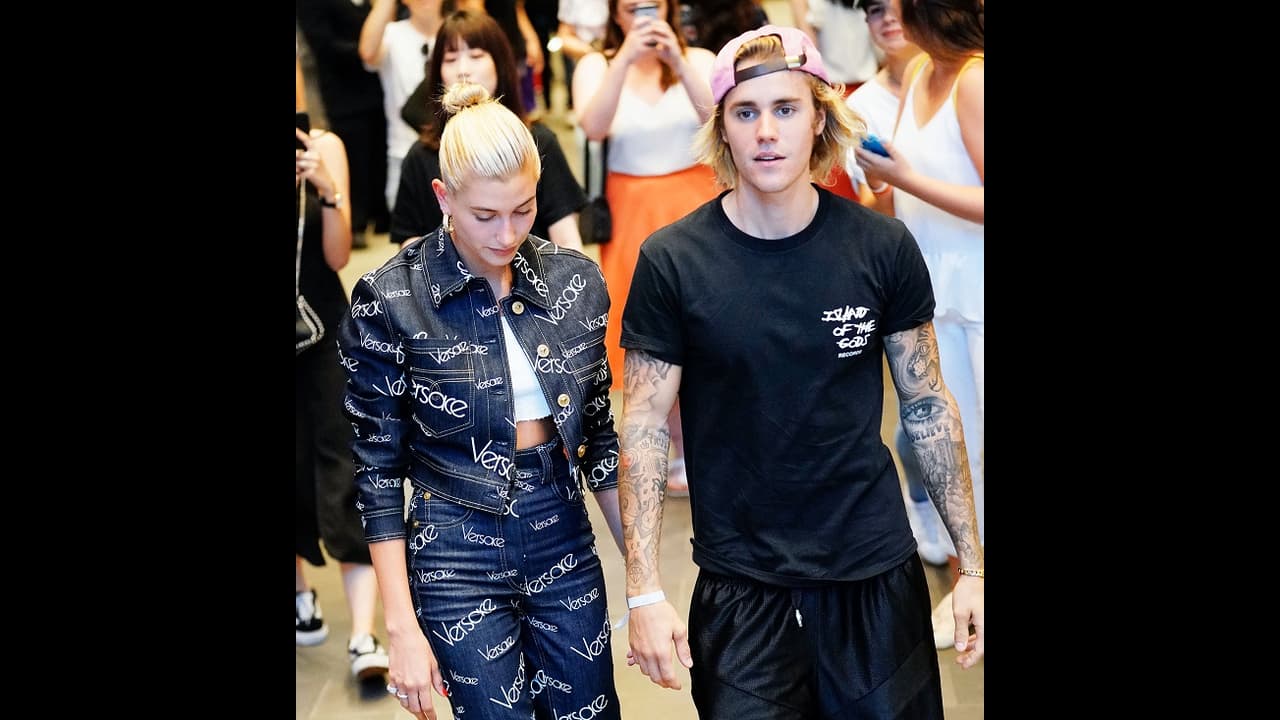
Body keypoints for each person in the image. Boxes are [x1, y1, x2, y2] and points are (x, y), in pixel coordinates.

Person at [616, 25, 984, 718]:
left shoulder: (880, 246)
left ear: (819, 117)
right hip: (741, 581)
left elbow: (927, 402)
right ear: (721, 128)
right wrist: (643, 592)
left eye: (786, 109)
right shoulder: (674, 261)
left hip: (873, 569)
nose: (766, 132)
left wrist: (974, 566)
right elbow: (641, 425)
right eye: (745, 112)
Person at [338, 81, 625, 720]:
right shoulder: (392, 299)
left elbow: (600, 437)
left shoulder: (575, 282)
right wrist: (400, 628)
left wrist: (646, 582)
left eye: (523, 210)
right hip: (452, 542)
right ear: (443, 197)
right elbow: (376, 472)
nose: (507, 234)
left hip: (560, 525)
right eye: (484, 216)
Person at [851, 0, 983, 650]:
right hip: (934, 290)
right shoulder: (925, 71)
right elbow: (902, 192)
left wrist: (905, 177)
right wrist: (884, 183)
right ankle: (973, 585)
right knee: (957, 452)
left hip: (977, 289)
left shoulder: (973, 78)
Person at [571, 0, 721, 495]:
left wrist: (676, 59)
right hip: (631, 207)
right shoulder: (596, 65)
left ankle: (714, 440)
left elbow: (720, 118)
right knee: (651, 334)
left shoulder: (698, 59)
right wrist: (623, 61)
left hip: (698, 198)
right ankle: (677, 447)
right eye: (632, 7)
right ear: (616, 14)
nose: (643, 14)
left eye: (652, 4)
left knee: (709, 327)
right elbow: (592, 127)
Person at [296, 122, 392, 681]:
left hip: (324, 330)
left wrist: (326, 190)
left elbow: (337, 256)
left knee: (345, 468)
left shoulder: (323, 146)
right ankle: (301, 595)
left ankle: (362, 633)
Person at [392, 9, 587, 251]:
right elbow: (409, 245)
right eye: (450, 59)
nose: (463, 70)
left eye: (476, 55)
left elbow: (567, 240)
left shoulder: (536, 142)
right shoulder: (421, 155)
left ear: (500, 63)